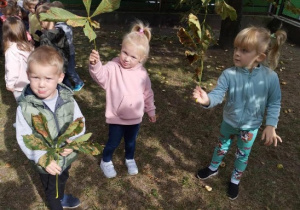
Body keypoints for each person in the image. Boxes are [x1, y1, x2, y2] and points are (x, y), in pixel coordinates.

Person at [193, 26, 287, 200]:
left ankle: (235, 180)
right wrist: (207, 100)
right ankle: (213, 168)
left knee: (242, 155)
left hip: (250, 128)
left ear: (260, 57)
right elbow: (218, 94)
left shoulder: (270, 77)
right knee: (221, 146)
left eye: (244, 50)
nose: (236, 53)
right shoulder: (228, 74)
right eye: (236, 48)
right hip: (229, 122)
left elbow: (274, 102)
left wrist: (271, 125)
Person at [16, 46, 83, 209]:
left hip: (66, 156)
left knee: (63, 177)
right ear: (28, 76)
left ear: (60, 77)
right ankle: (56, 203)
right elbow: (23, 136)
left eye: (48, 78)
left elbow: (79, 122)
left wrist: (72, 142)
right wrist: (41, 157)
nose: (41, 84)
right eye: (35, 77)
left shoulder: (68, 100)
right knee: (51, 189)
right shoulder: (25, 108)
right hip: (46, 161)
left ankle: (61, 197)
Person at [89, 21, 156, 178]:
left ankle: (129, 158)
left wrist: (151, 110)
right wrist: (95, 65)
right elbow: (101, 77)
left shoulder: (142, 74)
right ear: (121, 49)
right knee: (113, 142)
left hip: (135, 118)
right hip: (117, 117)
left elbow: (148, 93)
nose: (126, 59)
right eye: (125, 53)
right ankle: (105, 160)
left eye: (133, 57)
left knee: (131, 142)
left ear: (141, 58)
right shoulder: (113, 67)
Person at [35, 3, 73, 89]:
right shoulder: (60, 31)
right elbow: (66, 49)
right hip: (63, 65)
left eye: (39, 19)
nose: (39, 22)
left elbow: (44, 57)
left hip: (52, 69)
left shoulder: (45, 38)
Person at [51, 0, 84, 91]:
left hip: (68, 53)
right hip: (65, 52)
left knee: (70, 70)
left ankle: (79, 83)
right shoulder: (64, 24)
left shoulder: (62, 27)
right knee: (65, 69)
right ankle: (67, 84)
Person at [3, 16, 33, 101]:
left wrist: (10, 84)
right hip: (31, 82)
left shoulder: (11, 51)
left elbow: (12, 69)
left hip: (20, 86)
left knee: (23, 107)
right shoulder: (27, 46)